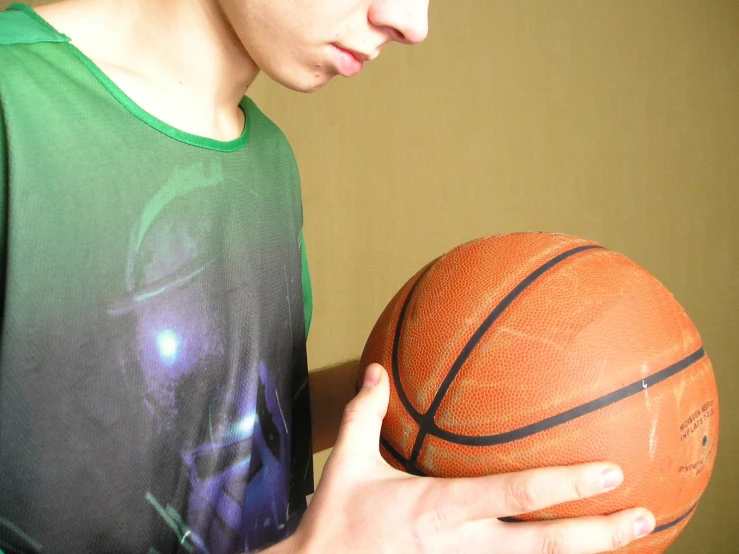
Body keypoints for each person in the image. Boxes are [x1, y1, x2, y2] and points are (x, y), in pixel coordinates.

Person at [0, 1, 656, 552]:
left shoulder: (267, 160)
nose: (411, 21)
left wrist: (455, 387)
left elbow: (190, 424)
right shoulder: (13, 107)